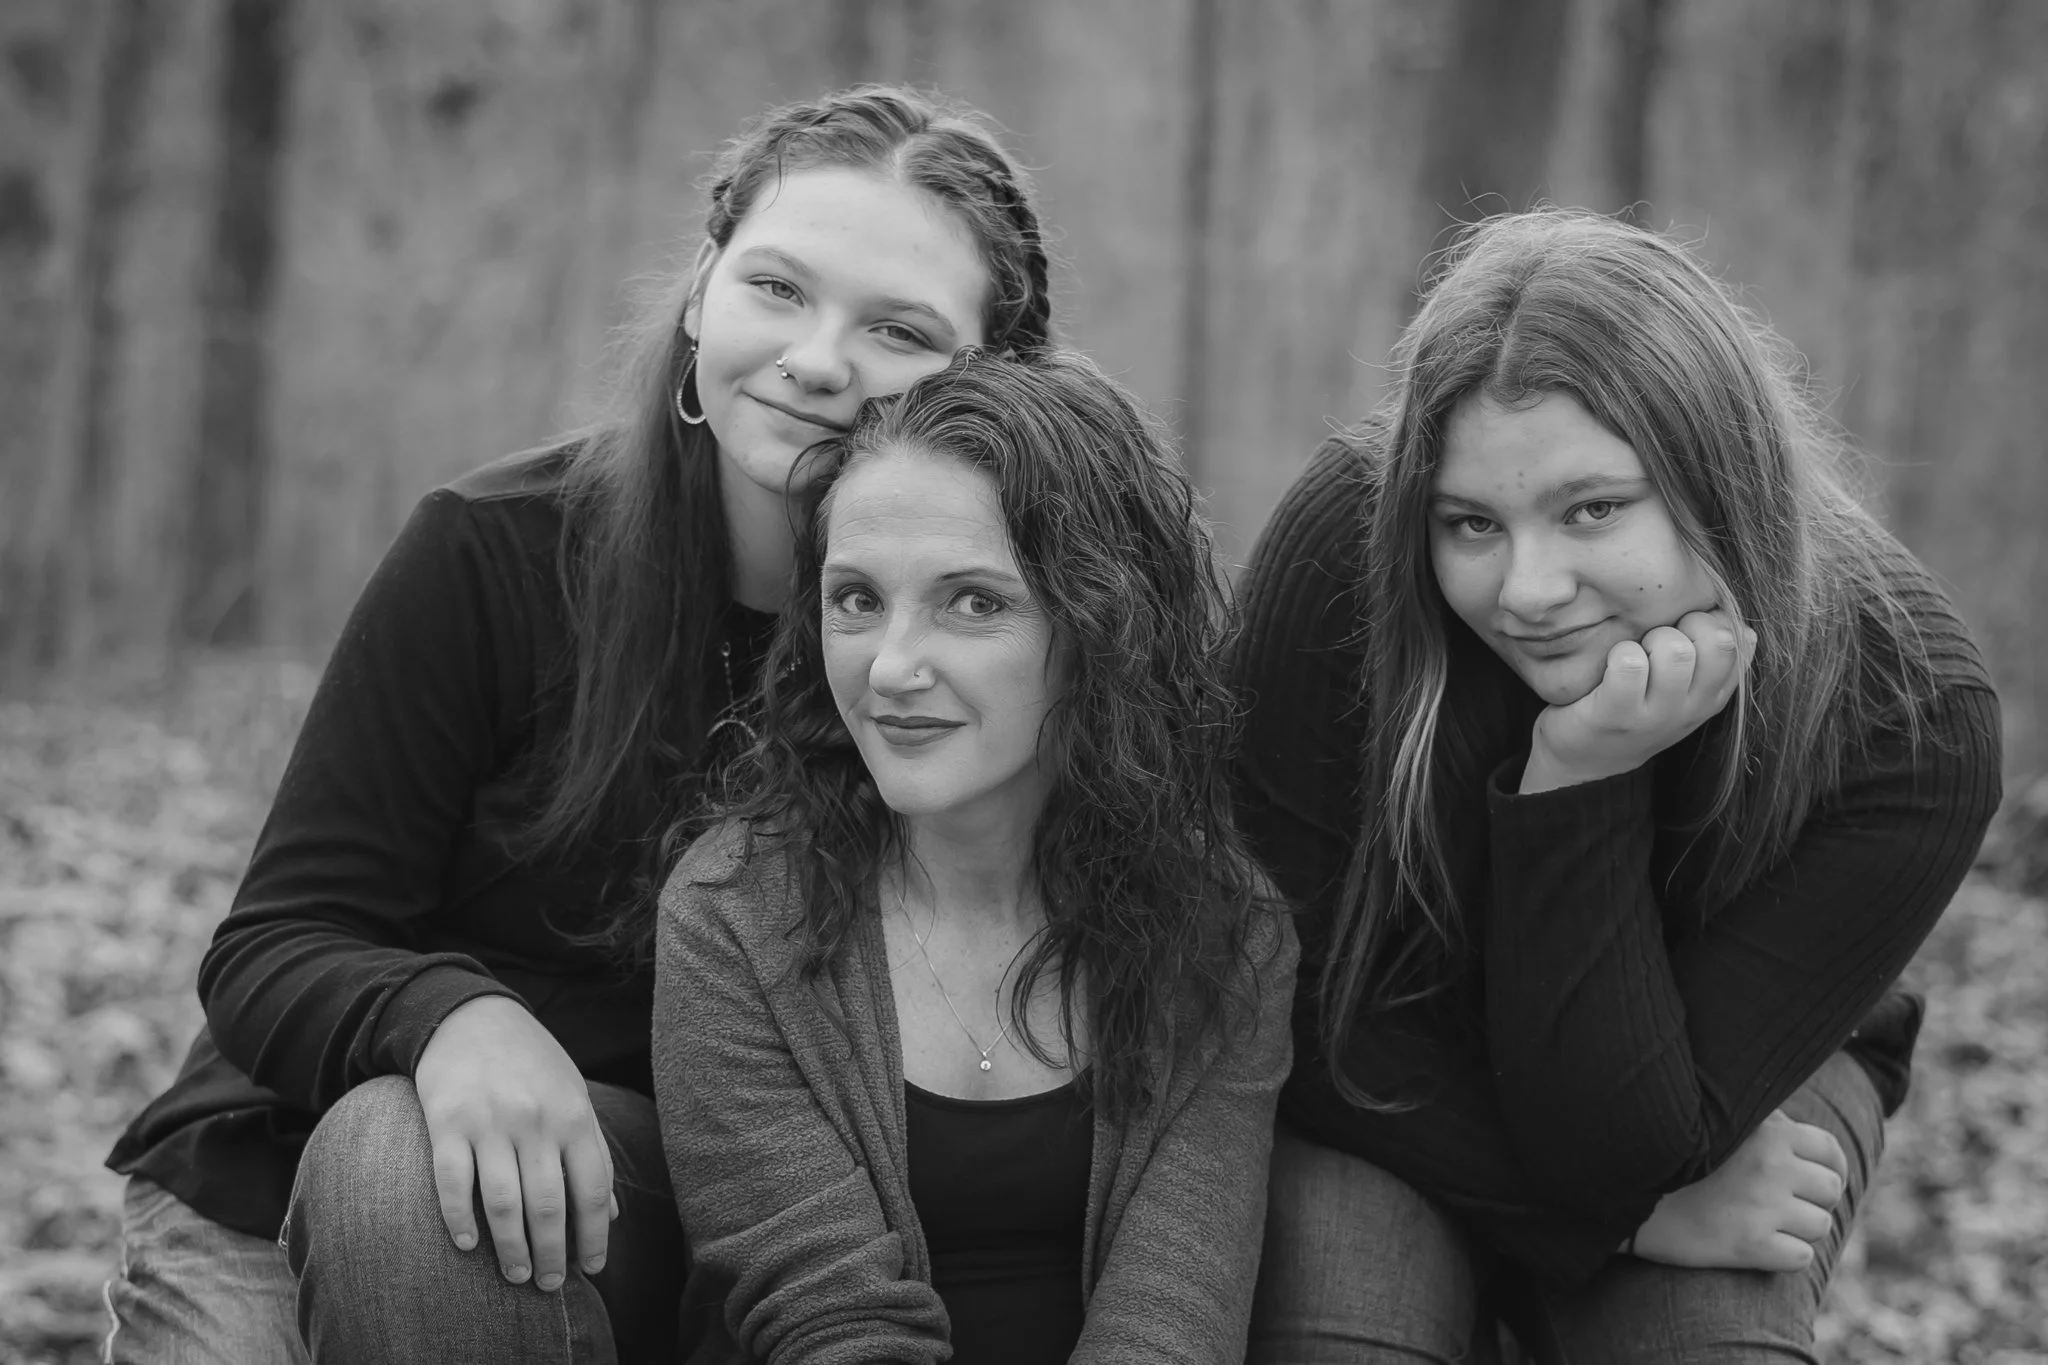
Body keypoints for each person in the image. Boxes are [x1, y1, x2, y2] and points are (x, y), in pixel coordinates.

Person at [100, 85, 1054, 1364]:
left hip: (692, 1205)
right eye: (776, 288)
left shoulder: (1010, 644)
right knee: (397, 1161)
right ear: (701, 291)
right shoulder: (494, 553)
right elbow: (275, 943)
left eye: (896, 329)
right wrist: (451, 1017)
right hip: (295, 1167)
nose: (818, 359)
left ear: (992, 380)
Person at [1232, 210, 2002, 1362]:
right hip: (1382, 1041)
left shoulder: (1908, 712)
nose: (1527, 590)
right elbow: (1264, 986)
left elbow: (1628, 1140)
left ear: (1722, 481)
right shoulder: (1344, 550)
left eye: (1591, 509)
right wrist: (1616, 1224)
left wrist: (1577, 785)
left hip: (1721, 1075)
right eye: (1470, 523)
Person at [652, 349, 1297, 1364]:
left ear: (1102, 625)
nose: (892, 666)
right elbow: (829, 1321)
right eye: (856, 599)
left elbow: (1174, 1316)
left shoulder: (1220, 930)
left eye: (974, 602)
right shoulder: (733, 913)